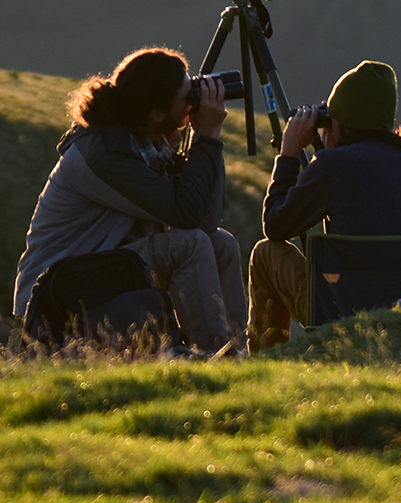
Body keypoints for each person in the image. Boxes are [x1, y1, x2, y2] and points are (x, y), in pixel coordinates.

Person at [13, 47, 245, 353]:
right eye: (187, 96)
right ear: (157, 113)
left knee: (220, 245)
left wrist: (201, 139)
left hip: (108, 269)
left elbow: (206, 220)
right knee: (191, 245)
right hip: (58, 291)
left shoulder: (143, 139)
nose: (194, 101)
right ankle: (216, 354)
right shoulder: (105, 154)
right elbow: (186, 215)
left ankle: (240, 351)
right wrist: (209, 134)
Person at [247, 60, 401, 349]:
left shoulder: (332, 167)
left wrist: (289, 155)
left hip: (339, 314)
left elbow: (275, 225)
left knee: (265, 253)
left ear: (340, 123)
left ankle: (266, 363)